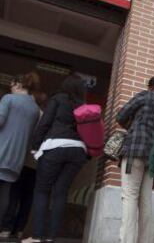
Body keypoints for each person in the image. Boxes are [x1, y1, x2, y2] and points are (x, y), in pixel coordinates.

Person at [22, 74, 88, 243]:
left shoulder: (58, 99)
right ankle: (51, 237)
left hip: (55, 147)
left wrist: (35, 146)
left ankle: (37, 236)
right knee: (61, 192)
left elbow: (45, 122)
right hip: (78, 150)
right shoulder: (83, 105)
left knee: (42, 190)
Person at [116, 75, 154, 243]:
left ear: (151, 86)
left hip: (134, 151)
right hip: (153, 157)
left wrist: (132, 126)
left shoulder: (145, 96)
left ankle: (127, 240)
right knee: (146, 201)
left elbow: (121, 116)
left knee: (130, 197)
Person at [1, 92, 48, 240]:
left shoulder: (31, 113)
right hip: (37, 164)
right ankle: (20, 229)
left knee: (13, 195)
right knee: (27, 199)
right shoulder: (46, 117)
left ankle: (6, 228)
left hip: (23, 160)